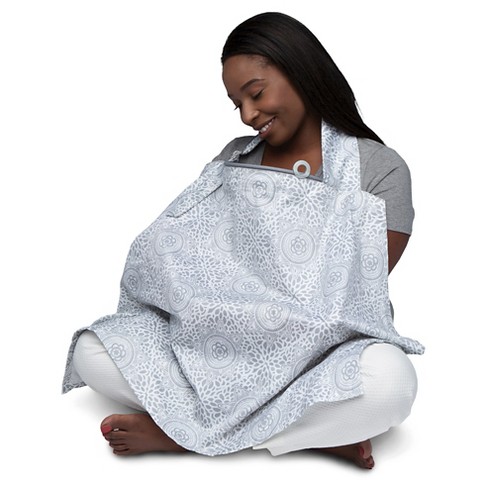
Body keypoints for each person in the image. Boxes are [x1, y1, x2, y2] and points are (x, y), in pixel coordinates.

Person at [62, 12, 424, 470]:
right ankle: (308, 434)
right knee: (93, 349)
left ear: (301, 72)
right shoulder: (233, 160)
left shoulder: (379, 170)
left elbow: (353, 297)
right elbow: (181, 251)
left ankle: (183, 436)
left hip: (319, 354)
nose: (249, 115)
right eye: (238, 104)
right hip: (218, 343)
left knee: (390, 382)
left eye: (256, 93)